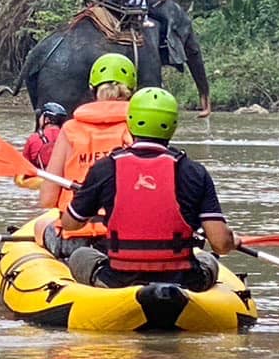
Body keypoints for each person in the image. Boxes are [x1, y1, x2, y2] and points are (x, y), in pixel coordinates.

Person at [61, 87, 237, 293]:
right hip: (183, 280)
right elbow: (220, 244)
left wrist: (84, 194)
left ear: (131, 121)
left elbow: (70, 224)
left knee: (80, 255)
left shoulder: (105, 168)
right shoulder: (195, 172)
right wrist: (233, 240)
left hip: (119, 278)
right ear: (172, 125)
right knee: (207, 258)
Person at [34, 53, 137, 256]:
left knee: (40, 227)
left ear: (92, 90)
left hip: (77, 239)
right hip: (124, 239)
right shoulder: (139, 128)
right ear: (132, 92)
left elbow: (47, 199)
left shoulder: (70, 128)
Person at [23, 101, 70, 169]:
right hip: (63, 178)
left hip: (39, 177)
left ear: (47, 119)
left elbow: (24, 165)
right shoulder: (70, 138)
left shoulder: (34, 138)